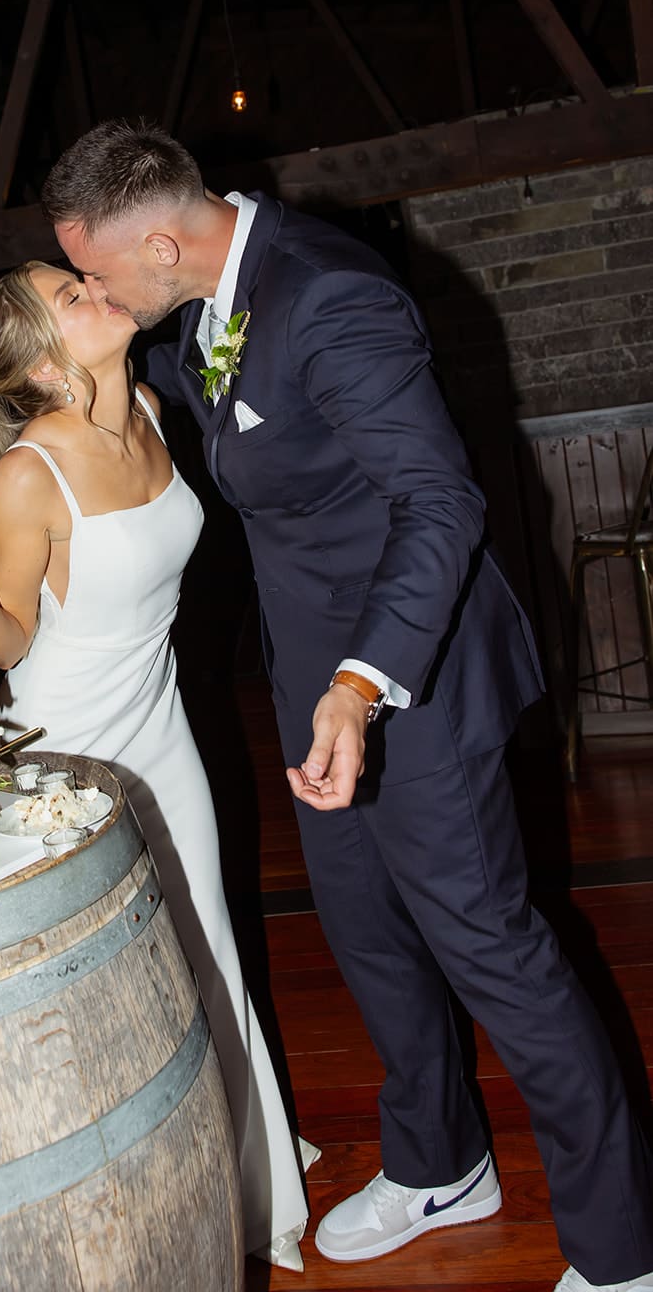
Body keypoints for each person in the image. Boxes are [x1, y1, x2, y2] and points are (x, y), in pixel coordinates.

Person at [41, 118, 653, 1292]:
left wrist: (359, 684)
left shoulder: (327, 295)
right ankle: (439, 1163)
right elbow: (138, 414)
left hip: (406, 680)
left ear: (161, 244)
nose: (92, 292)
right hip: (311, 687)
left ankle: (622, 1249)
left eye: (98, 272)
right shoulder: (202, 309)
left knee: (495, 951)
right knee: (367, 929)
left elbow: (438, 502)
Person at [0, 260, 315, 1271]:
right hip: (74, 747)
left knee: (208, 943)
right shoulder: (29, 473)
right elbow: (12, 642)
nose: (93, 287)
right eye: (69, 295)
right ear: (39, 357)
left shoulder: (152, 406)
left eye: (78, 277)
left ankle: (245, 1179)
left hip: (160, 726)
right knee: (125, 979)